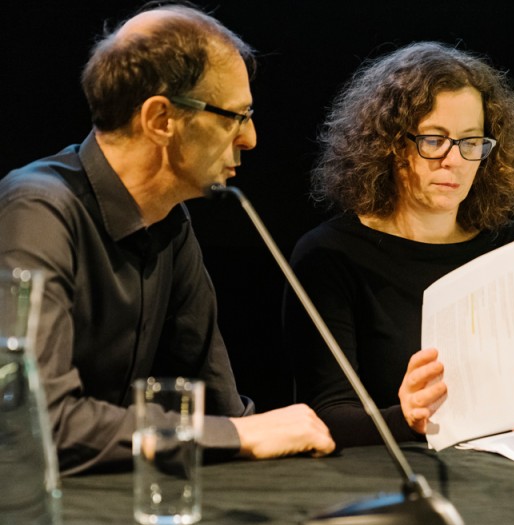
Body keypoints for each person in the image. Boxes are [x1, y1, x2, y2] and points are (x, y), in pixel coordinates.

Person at [0, 4, 334, 476]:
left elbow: (224, 411)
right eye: (234, 116)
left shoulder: (171, 222)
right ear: (160, 119)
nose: (252, 138)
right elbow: (35, 423)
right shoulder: (37, 210)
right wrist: (237, 436)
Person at [283, 42, 514, 449]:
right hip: (391, 480)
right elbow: (327, 416)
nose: (453, 160)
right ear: (391, 144)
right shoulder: (328, 256)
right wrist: (407, 420)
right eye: (434, 140)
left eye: (471, 142)